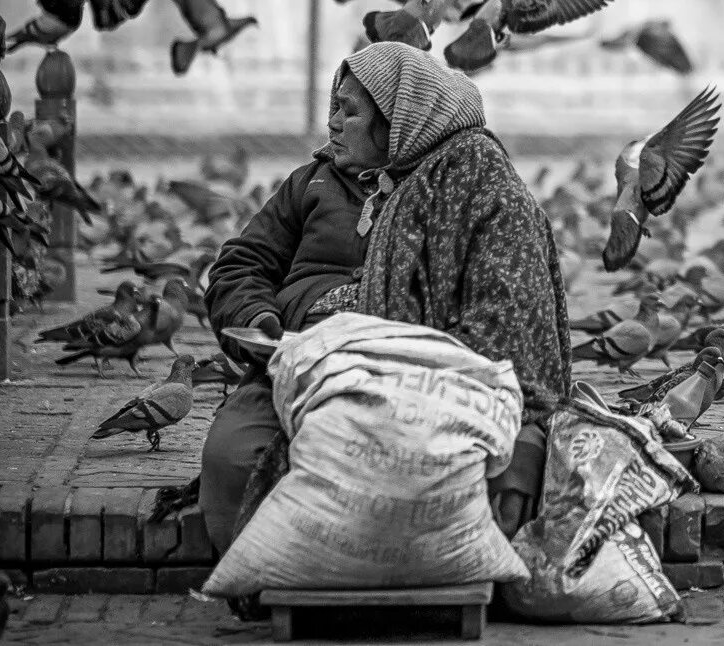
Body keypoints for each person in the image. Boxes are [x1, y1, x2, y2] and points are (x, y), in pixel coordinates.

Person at [198, 41, 571, 553]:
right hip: (298, 363)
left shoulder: (467, 185)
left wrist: (392, 348)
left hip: (419, 381)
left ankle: (385, 583)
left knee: (446, 470)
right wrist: (260, 321)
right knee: (232, 459)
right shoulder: (312, 183)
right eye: (333, 106)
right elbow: (240, 265)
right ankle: (293, 577)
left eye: (348, 111)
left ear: (399, 120)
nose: (332, 123)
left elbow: (503, 315)